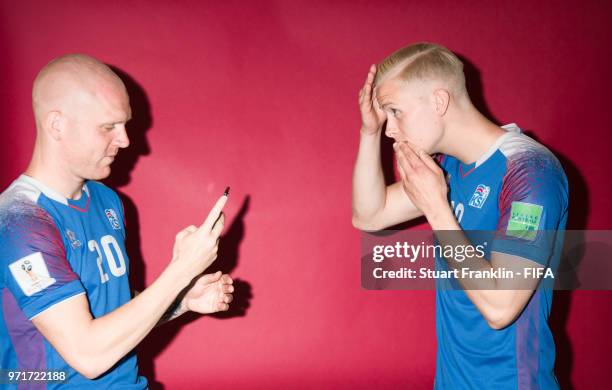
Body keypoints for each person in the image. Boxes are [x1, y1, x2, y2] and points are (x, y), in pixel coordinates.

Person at [0, 54, 234, 388]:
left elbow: (114, 307)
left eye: (124, 124)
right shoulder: (18, 222)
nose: (125, 140)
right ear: (57, 125)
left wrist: (181, 299)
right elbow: (88, 354)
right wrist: (180, 271)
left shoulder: (106, 200)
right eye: (108, 127)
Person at [352, 42, 568, 389]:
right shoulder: (450, 169)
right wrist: (369, 131)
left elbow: (501, 307)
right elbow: (369, 214)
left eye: (395, 111)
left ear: (439, 101)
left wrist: (437, 209)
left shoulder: (530, 171)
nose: (390, 129)